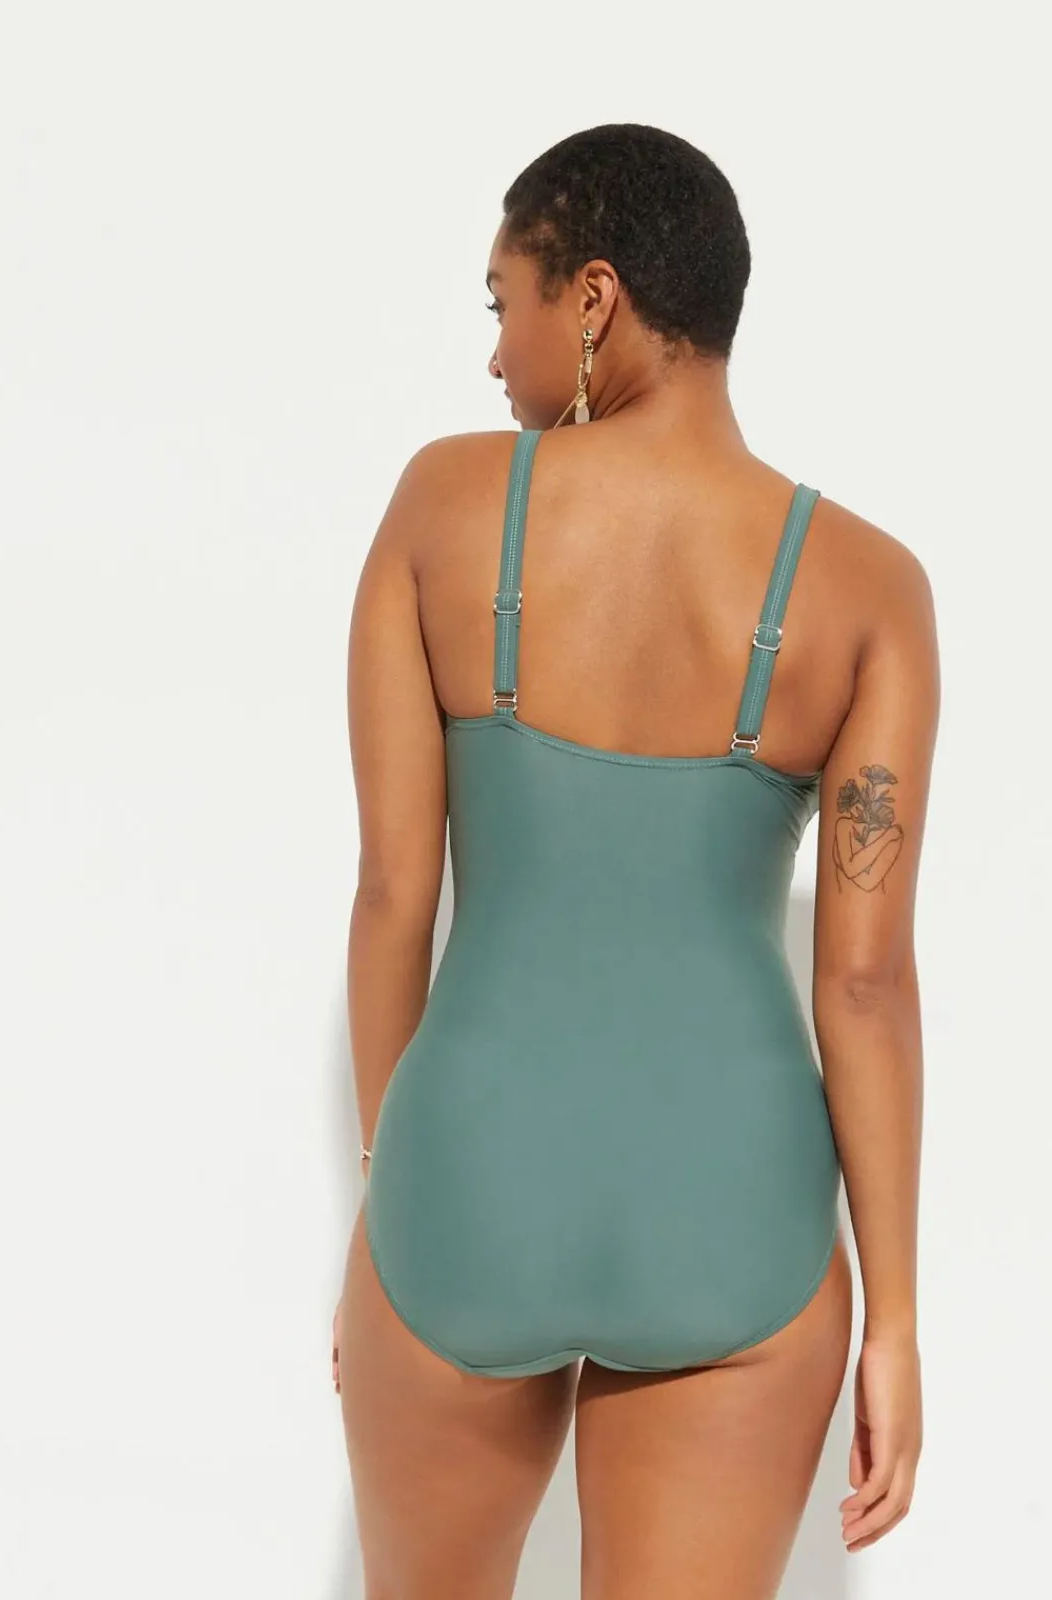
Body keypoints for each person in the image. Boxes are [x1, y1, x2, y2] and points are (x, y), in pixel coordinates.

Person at [333, 122, 937, 1599]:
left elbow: (395, 895)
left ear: (591, 297)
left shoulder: (442, 506)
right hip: (737, 1218)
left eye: (504, 303)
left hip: (465, 1187)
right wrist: (895, 1322)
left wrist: (393, 1201)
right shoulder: (870, 589)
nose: (494, 357)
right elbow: (862, 989)